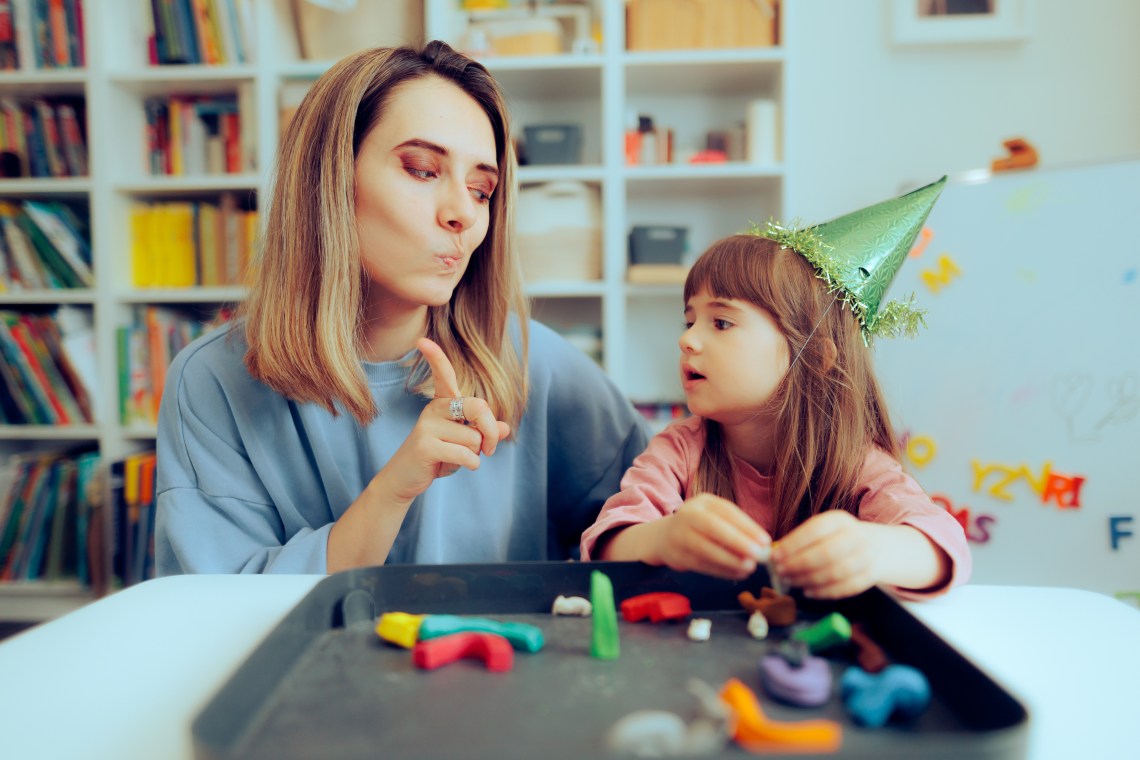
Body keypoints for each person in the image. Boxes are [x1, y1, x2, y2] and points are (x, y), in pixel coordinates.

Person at [154, 41, 649, 575]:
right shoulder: (209, 382)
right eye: (421, 170)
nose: (463, 211)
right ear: (331, 181)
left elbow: (652, 516)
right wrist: (392, 491)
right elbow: (220, 610)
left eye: (482, 189)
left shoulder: (538, 363)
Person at [581, 178, 971, 599]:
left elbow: (943, 546)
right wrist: (661, 539)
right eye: (689, 320)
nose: (687, 340)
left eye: (722, 323)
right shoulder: (679, 449)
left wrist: (873, 550)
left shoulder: (853, 461)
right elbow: (607, 543)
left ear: (815, 356)